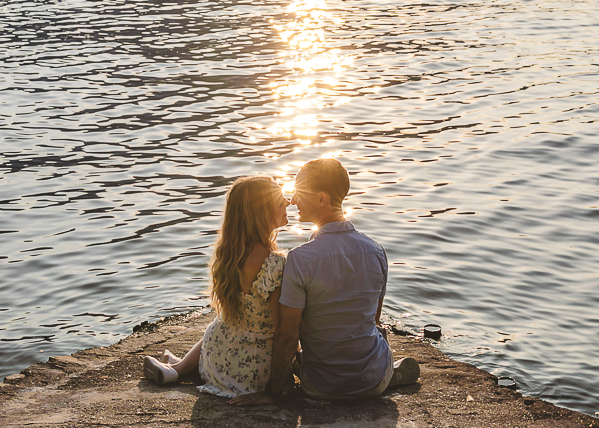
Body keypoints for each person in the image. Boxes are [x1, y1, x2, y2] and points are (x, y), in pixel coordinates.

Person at [232, 157, 419, 406]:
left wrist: (273, 393)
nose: (293, 200)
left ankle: (367, 374)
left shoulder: (299, 259)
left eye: (299, 192)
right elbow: (373, 320)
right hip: (373, 384)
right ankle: (385, 373)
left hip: (319, 387)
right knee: (375, 334)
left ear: (321, 199)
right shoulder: (377, 251)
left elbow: (288, 335)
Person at [141, 175, 290, 397]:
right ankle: (177, 367)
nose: (288, 202)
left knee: (225, 321)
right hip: (255, 373)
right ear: (263, 212)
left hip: (218, 359)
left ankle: (177, 367)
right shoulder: (274, 263)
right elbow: (282, 330)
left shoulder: (230, 255)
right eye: (280, 201)